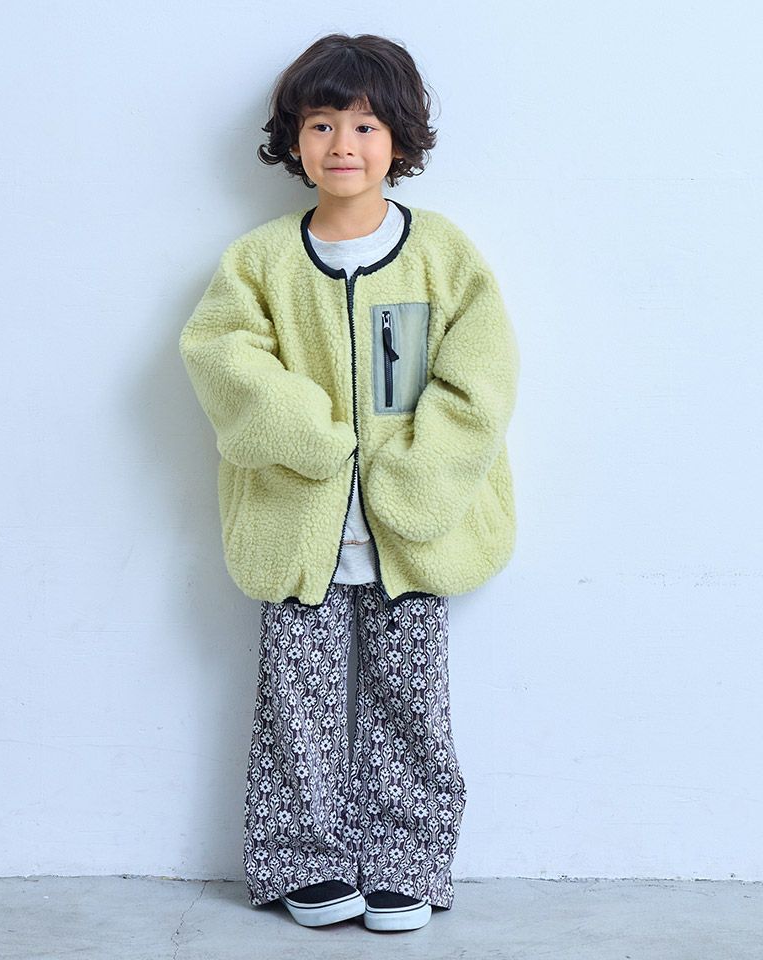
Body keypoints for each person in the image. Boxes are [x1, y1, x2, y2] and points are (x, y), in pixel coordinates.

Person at [178, 32, 520, 933]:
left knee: (412, 705)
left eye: (365, 125)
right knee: (297, 706)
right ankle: (306, 859)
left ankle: (407, 861)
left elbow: (481, 378)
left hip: (416, 528)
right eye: (322, 123)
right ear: (293, 138)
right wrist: (316, 437)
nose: (342, 144)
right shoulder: (260, 261)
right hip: (300, 529)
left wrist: (414, 471)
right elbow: (221, 355)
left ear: (398, 139)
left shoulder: (441, 253)